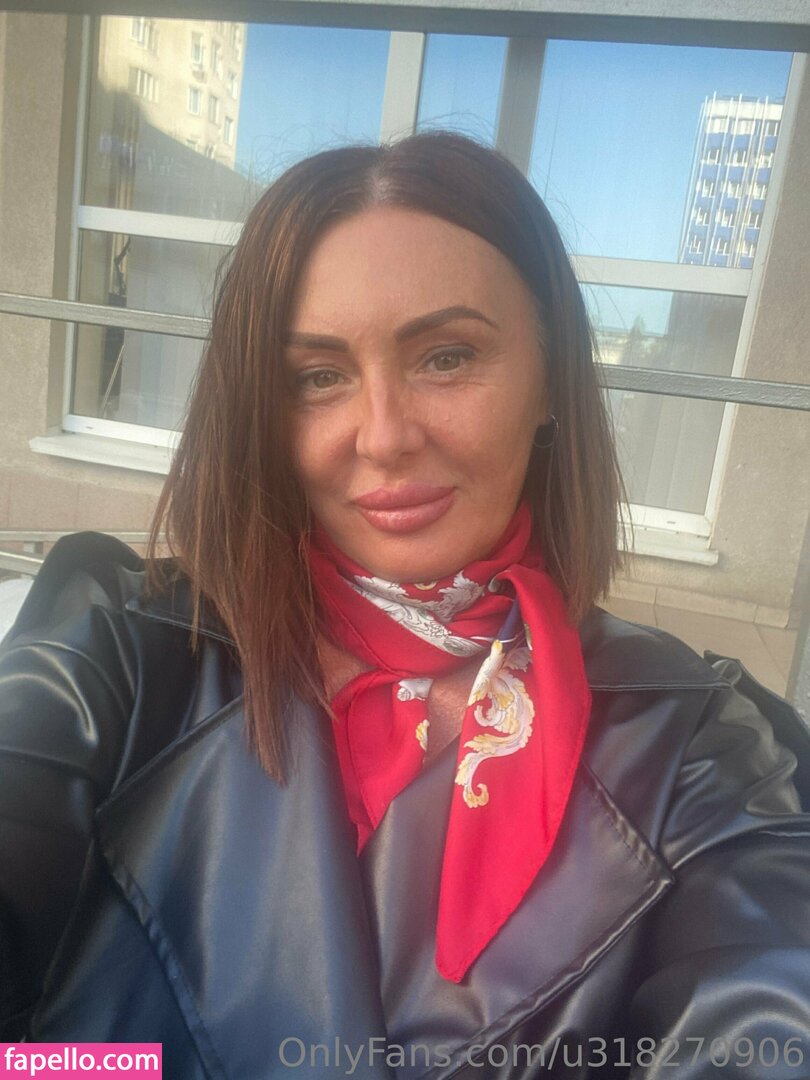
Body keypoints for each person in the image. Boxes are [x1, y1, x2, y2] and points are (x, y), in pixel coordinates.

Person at [1, 131, 810, 1079]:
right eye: (318, 377)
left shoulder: (700, 745)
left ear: (550, 379)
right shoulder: (119, 646)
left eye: (446, 357)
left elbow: (768, 1009)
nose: (383, 437)